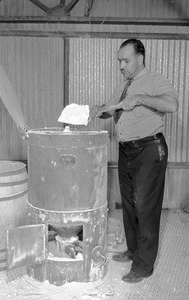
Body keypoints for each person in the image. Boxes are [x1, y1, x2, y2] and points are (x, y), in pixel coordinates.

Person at [90, 38, 178, 283]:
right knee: (128, 203)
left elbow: (172, 104)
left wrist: (140, 98)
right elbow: (113, 108)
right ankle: (133, 249)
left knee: (145, 207)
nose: (121, 65)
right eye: (119, 61)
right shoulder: (122, 86)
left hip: (149, 149)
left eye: (125, 60)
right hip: (126, 150)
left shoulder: (155, 81)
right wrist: (103, 109)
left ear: (140, 57)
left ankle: (144, 265)